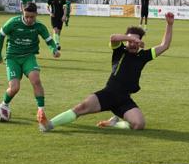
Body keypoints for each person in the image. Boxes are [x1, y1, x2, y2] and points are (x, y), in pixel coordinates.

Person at [44, 13, 174, 132]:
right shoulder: (120, 50)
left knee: (139, 124)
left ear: (140, 42)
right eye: (130, 41)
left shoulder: (143, 56)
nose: (133, 44)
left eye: (136, 41)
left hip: (124, 100)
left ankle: (114, 124)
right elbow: (113, 38)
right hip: (108, 94)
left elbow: (165, 45)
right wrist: (129, 38)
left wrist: (169, 24)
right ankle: (50, 124)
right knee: (80, 108)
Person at [0, 2, 61, 132]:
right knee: (14, 88)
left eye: (32, 17)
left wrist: (54, 49)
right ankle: (4, 105)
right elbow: (0, 35)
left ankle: (41, 111)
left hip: (29, 57)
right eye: (27, 16)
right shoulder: (13, 23)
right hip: (12, 58)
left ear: (36, 14)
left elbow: (49, 40)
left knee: (36, 80)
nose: (29, 19)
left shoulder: (39, 26)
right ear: (23, 13)